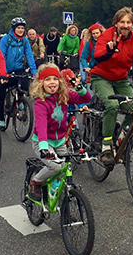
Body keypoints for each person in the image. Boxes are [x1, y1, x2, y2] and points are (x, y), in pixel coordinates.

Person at [91, 7, 133, 167]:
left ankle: (119, 141)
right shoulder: (107, 35)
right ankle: (106, 146)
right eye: (122, 22)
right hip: (101, 77)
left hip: (121, 80)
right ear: (116, 23)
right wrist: (109, 49)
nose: (125, 25)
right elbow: (97, 55)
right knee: (112, 105)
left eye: (128, 22)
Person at [28, 63, 91, 201]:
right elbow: (41, 125)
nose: (52, 83)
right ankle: (36, 182)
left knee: (66, 167)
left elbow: (87, 99)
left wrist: (79, 88)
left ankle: (64, 207)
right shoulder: (41, 103)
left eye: (55, 79)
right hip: (42, 142)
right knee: (56, 167)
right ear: (41, 83)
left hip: (60, 141)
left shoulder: (64, 95)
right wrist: (44, 148)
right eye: (48, 79)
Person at [0, 17, 37, 130]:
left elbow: (29, 56)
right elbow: (0, 56)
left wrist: (34, 72)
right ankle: (0, 118)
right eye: (18, 28)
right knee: (2, 93)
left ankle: (20, 100)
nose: (20, 30)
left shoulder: (25, 41)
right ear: (14, 29)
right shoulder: (6, 39)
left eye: (22, 28)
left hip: (18, 68)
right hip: (6, 70)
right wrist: (2, 73)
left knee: (24, 83)